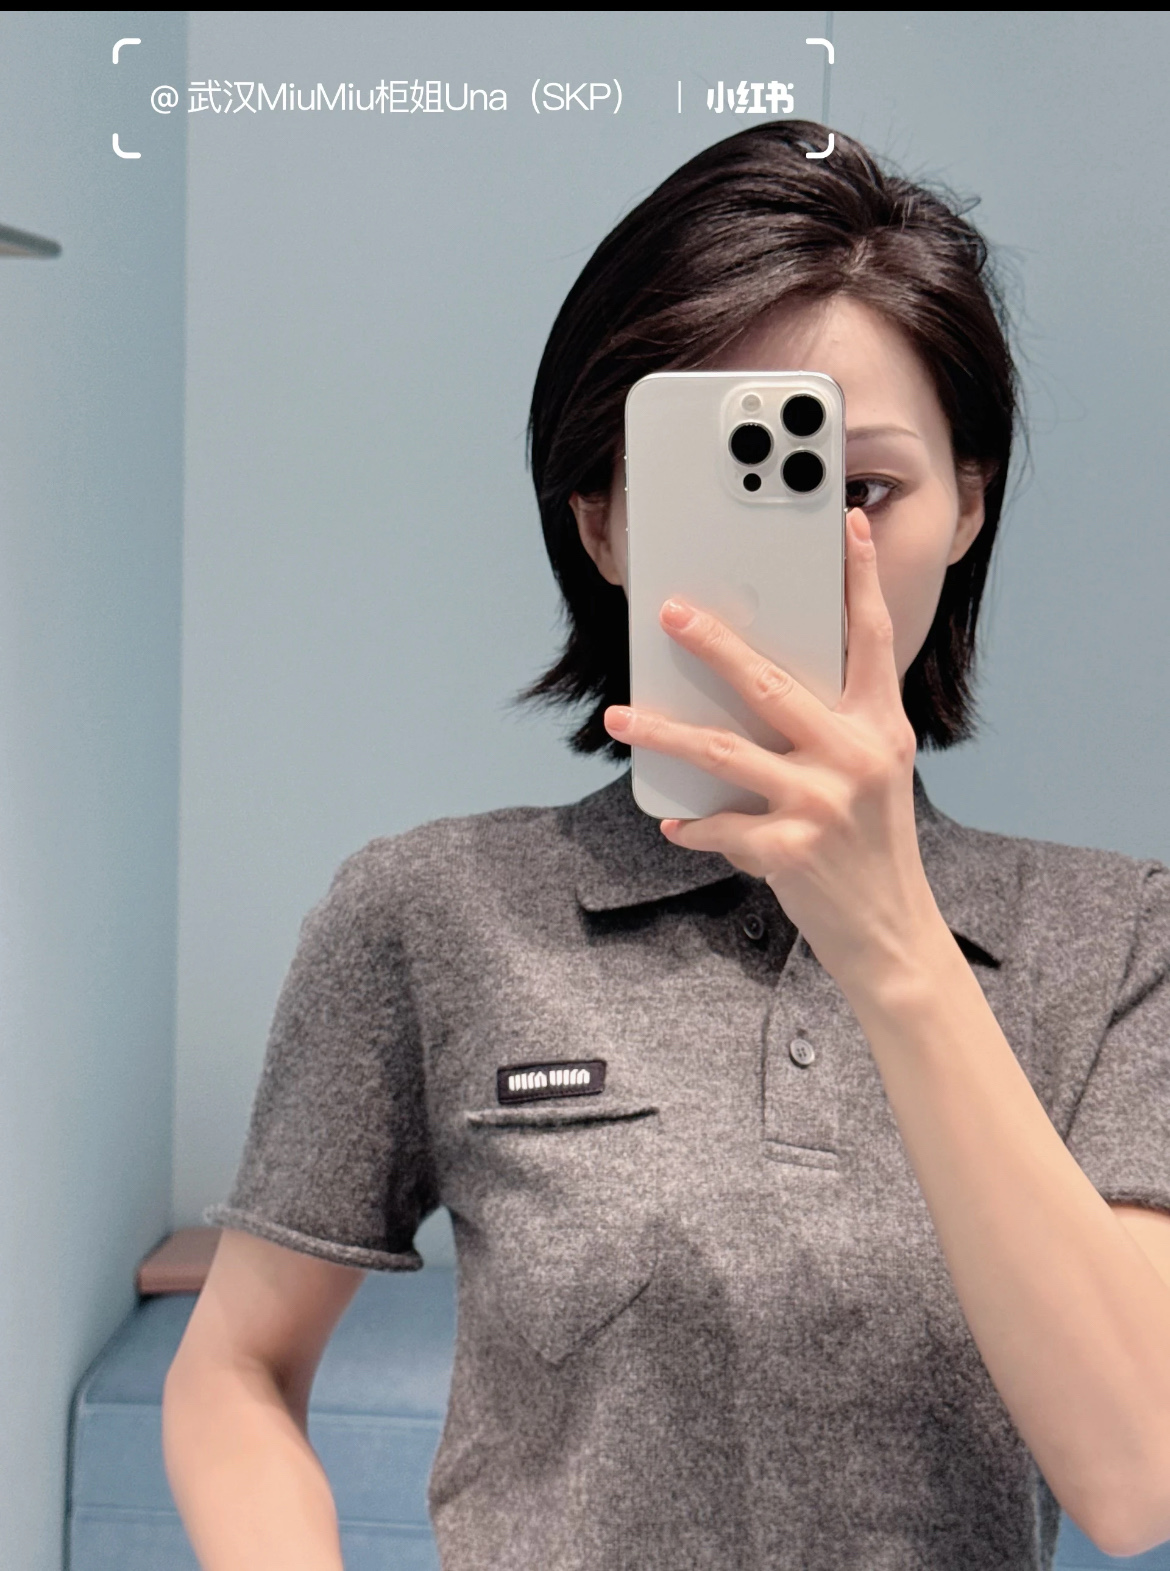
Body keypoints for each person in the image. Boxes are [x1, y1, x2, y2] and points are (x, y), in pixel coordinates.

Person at [161, 121, 1170, 1571]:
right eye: (728, 489)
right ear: (604, 524)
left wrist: (892, 941)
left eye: (864, 490)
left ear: (969, 502)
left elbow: (1134, 1482)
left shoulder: (1119, 937)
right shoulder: (431, 910)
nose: (810, 548)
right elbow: (236, 1372)